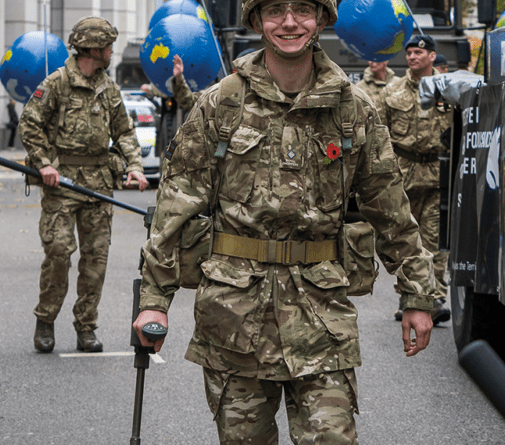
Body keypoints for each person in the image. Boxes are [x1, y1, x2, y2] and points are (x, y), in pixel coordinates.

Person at [133, 1, 435, 443]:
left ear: (322, 19)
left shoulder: (354, 110)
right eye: (275, 10)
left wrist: (417, 295)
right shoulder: (220, 105)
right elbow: (174, 207)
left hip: (322, 316)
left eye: (302, 10)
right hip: (234, 318)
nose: (289, 22)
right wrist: (154, 300)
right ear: (256, 20)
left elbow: (390, 210)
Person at [19, 16, 149, 354]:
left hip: (99, 184)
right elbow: (30, 124)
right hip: (61, 182)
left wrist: (134, 166)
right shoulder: (57, 82)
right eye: (107, 46)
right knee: (59, 253)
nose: (111, 51)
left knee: (96, 260)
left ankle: (86, 326)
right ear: (92, 48)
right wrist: (43, 163)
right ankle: (45, 319)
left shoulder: (109, 87)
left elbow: (123, 131)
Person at [377, 35, 452, 323]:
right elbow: (380, 134)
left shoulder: (447, 91)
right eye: (409, 52)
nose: (412, 57)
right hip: (403, 175)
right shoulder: (392, 90)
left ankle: (435, 297)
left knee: (434, 243)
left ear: (432, 56)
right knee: (407, 241)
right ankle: (408, 296)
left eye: (418, 52)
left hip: (436, 175)